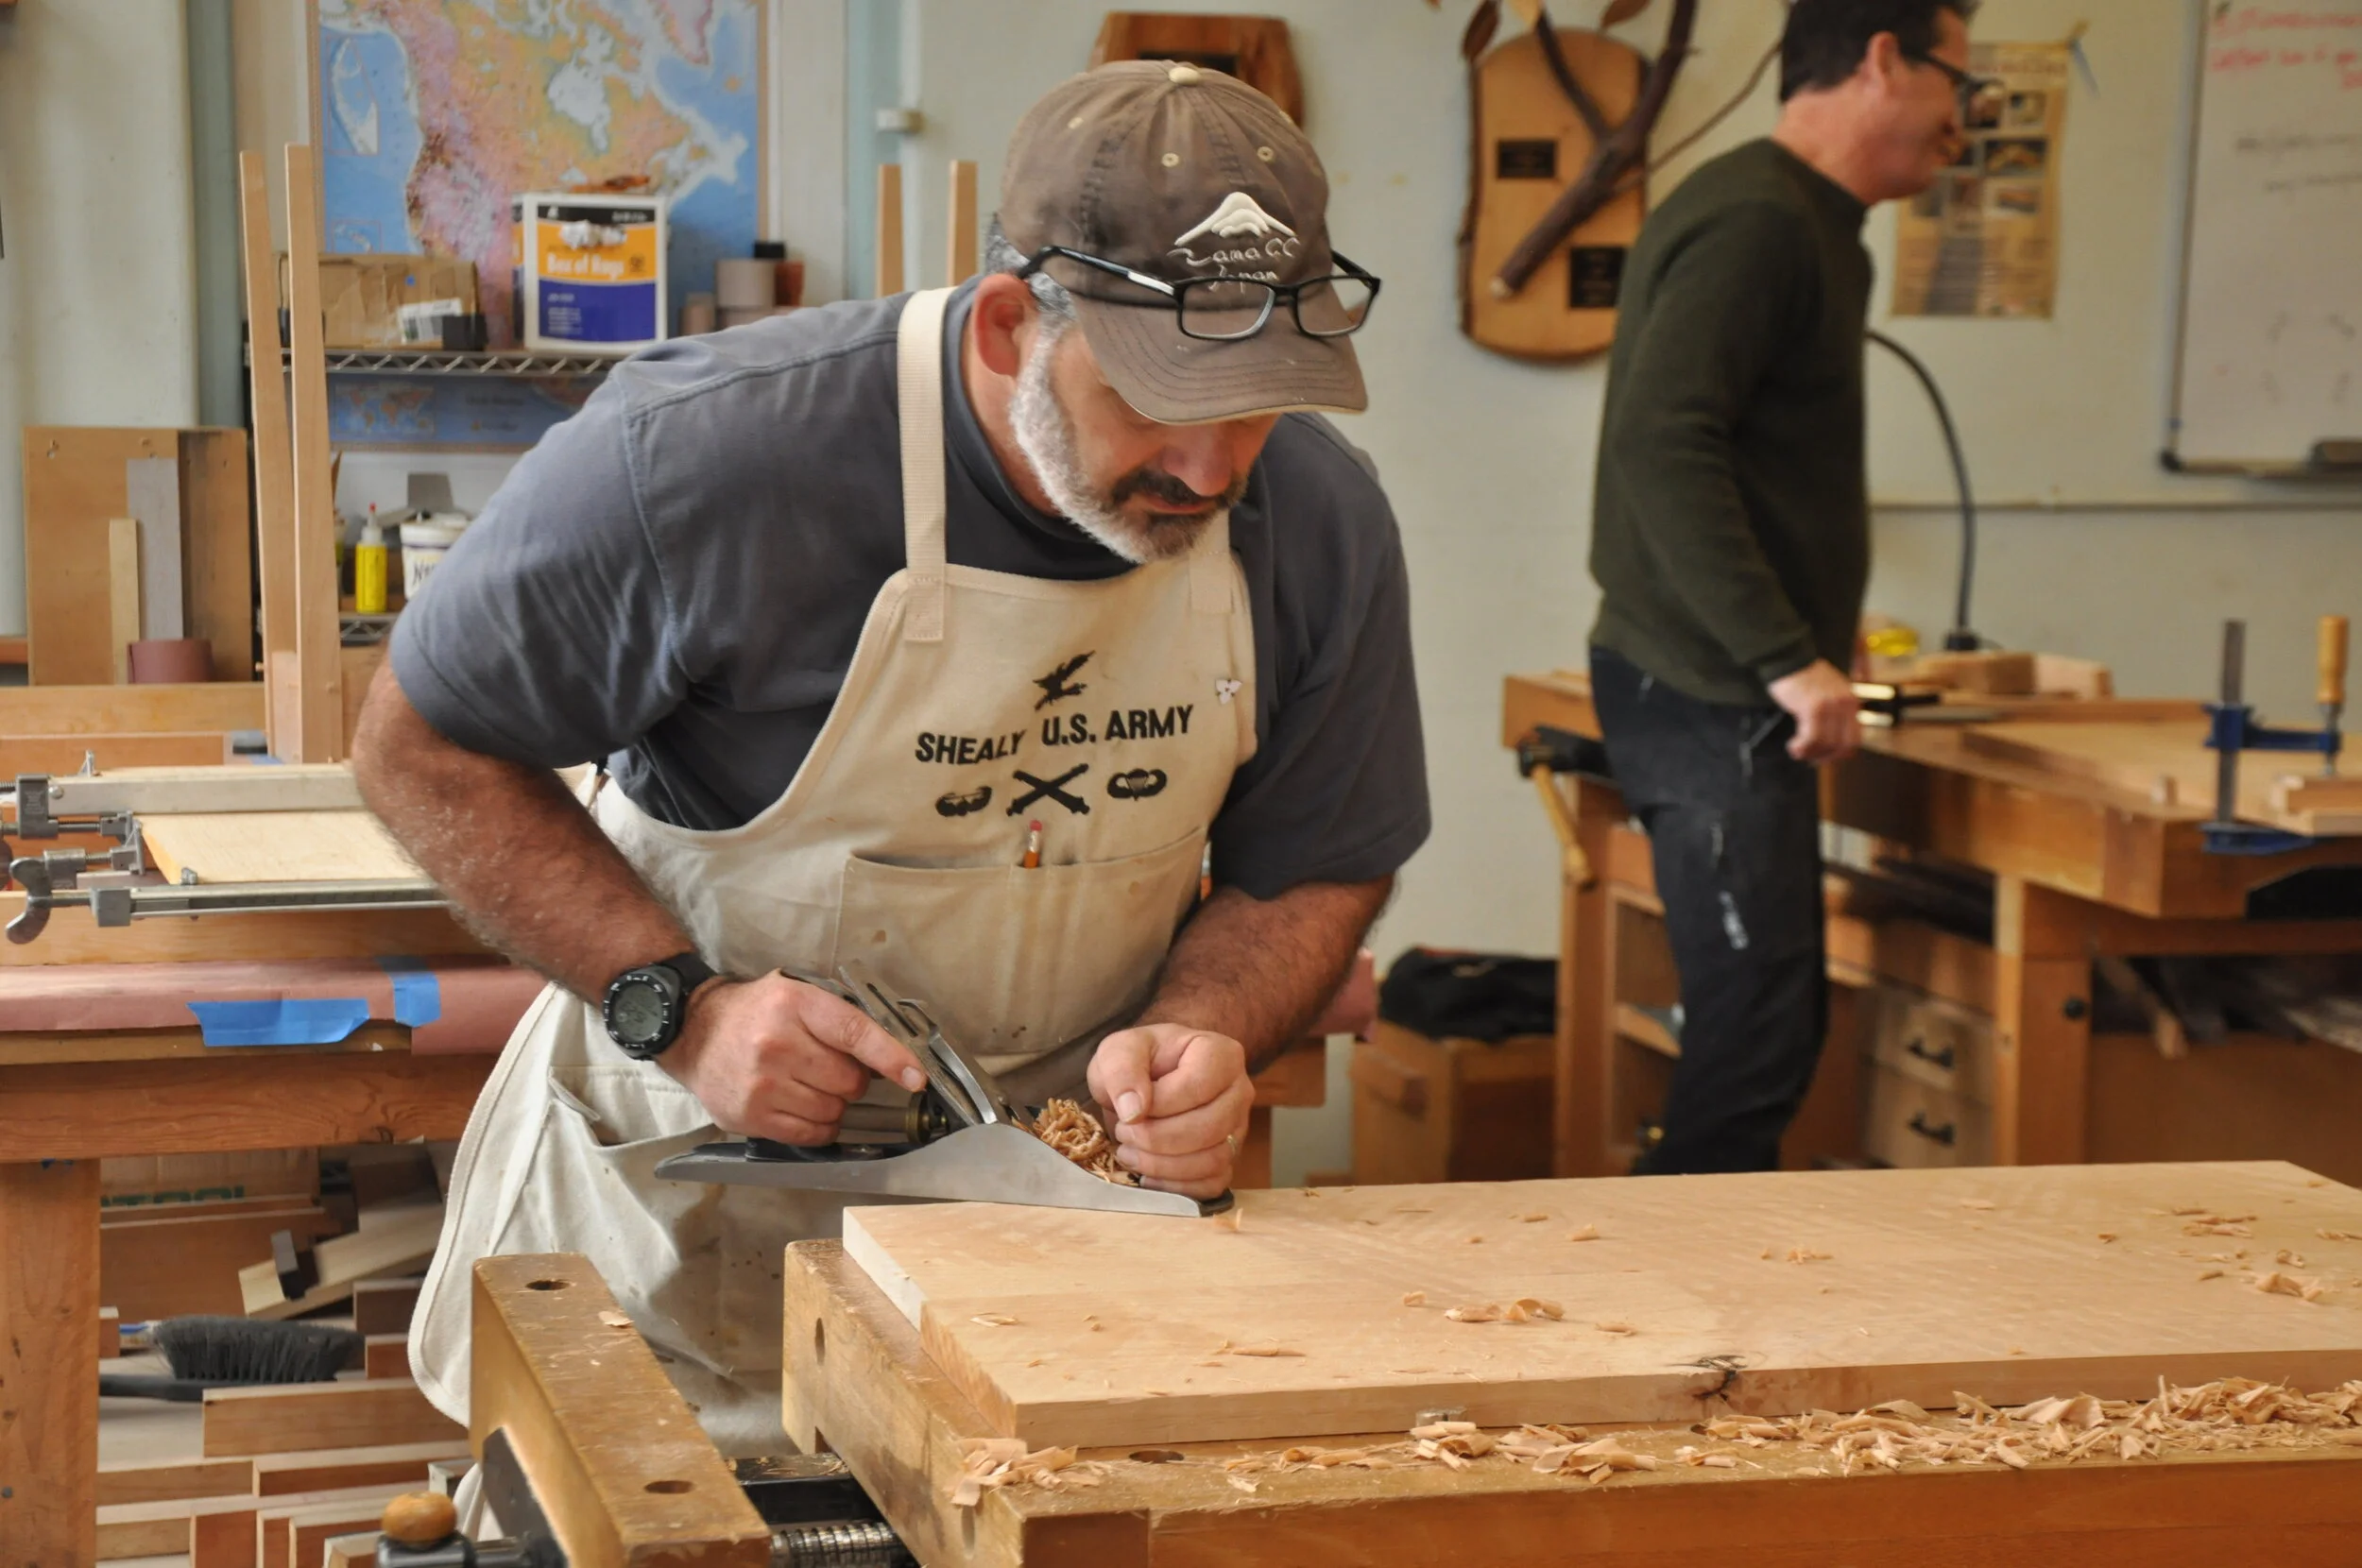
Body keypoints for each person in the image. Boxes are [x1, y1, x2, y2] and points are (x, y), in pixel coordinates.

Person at [352, 60, 1428, 1452]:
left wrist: (1208, 1026)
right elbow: (420, 744)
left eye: (1260, 405)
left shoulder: (1320, 524)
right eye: (1160, 399)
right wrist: (680, 1010)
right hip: (682, 1235)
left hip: (1053, 1261)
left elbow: (1316, 864)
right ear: (1008, 329)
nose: (1213, 471)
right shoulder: (708, 458)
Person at [1585, 0, 1977, 1173]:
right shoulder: (1759, 218)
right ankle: (1664, 1285)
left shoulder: (1805, 221)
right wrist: (1780, 653)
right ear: (1882, 61)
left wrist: (1816, 632)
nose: (1964, 123)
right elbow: (1663, 442)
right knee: (1753, 1040)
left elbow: (1752, 454)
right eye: (1958, 83)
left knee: (1770, 1023)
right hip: (1706, 691)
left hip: (1724, 685)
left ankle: (1683, 1277)